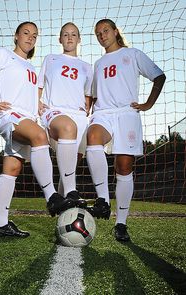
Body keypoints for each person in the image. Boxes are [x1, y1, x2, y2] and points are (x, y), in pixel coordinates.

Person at [0, 21, 74, 238]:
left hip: (26, 117)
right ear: (16, 36)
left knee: (11, 169)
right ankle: (52, 197)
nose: (30, 37)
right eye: (26, 33)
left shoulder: (30, 67)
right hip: (10, 115)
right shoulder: (3, 54)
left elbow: (29, 95)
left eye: (34, 35)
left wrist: (39, 106)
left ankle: (0, 224)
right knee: (39, 136)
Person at [86, 19, 166, 241]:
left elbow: (159, 76)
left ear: (115, 31)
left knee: (123, 168)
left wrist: (148, 104)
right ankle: (102, 199)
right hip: (103, 114)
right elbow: (92, 97)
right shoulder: (98, 64)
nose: (102, 35)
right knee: (93, 136)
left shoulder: (133, 54)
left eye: (105, 30)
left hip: (127, 115)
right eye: (98, 33)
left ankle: (120, 224)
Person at [38, 22, 93, 206]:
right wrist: (37, 104)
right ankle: (71, 192)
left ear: (79, 39)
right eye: (66, 34)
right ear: (60, 39)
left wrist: (85, 109)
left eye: (74, 34)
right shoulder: (50, 59)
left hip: (78, 117)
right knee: (67, 129)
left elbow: (88, 95)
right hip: (54, 111)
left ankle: (62, 208)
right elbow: (39, 86)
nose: (69, 37)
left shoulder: (87, 67)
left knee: (71, 165)